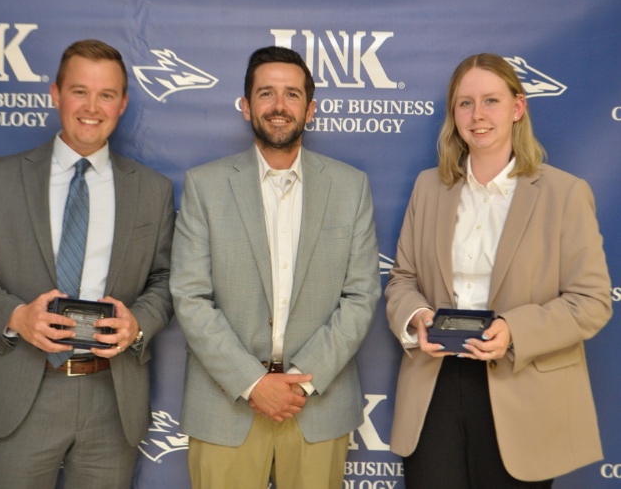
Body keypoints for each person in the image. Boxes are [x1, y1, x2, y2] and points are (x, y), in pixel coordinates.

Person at [0, 39, 175, 488]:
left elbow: (166, 280)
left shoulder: (153, 190)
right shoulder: (0, 177)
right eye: (79, 91)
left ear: (123, 103)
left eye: (106, 94)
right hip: (24, 392)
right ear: (55, 93)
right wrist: (15, 316)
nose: (92, 107)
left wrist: (139, 323)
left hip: (112, 396)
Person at [385, 53, 612, 488]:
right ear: (454, 114)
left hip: (520, 388)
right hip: (435, 388)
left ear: (517, 107)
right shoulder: (428, 187)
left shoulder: (564, 194)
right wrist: (417, 319)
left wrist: (514, 329)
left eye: (491, 100)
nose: (477, 115)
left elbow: (592, 302)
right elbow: (402, 280)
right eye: (465, 103)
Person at [170, 46, 381, 489]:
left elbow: (361, 296)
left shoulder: (350, 187)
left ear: (311, 108)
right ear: (246, 106)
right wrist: (253, 382)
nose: (279, 106)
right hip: (226, 405)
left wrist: (301, 383)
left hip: (317, 407)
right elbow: (190, 297)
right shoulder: (205, 186)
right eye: (266, 94)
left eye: (291, 94)